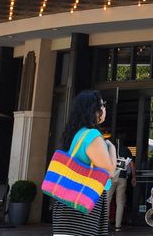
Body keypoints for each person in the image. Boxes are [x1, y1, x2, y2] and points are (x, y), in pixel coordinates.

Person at [51, 90, 117, 236]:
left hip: (68, 203)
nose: (105, 109)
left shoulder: (76, 134)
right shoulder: (92, 136)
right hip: (82, 206)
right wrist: (112, 148)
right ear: (94, 110)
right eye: (103, 105)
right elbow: (109, 171)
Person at [107, 155, 135, 231]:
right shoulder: (126, 151)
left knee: (107, 200)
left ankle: (105, 224)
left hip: (111, 178)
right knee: (120, 202)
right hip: (122, 178)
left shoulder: (110, 147)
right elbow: (131, 164)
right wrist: (133, 177)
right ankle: (118, 226)